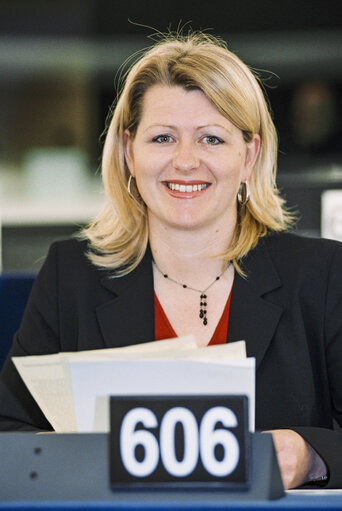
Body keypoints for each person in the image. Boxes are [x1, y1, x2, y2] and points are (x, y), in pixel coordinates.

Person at [0, 32, 342, 490]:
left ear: (250, 155)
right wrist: (73, 457)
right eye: (162, 137)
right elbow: (9, 435)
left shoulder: (322, 275)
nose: (185, 161)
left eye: (211, 139)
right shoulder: (72, 275)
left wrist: (310, 456)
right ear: (129, 152)